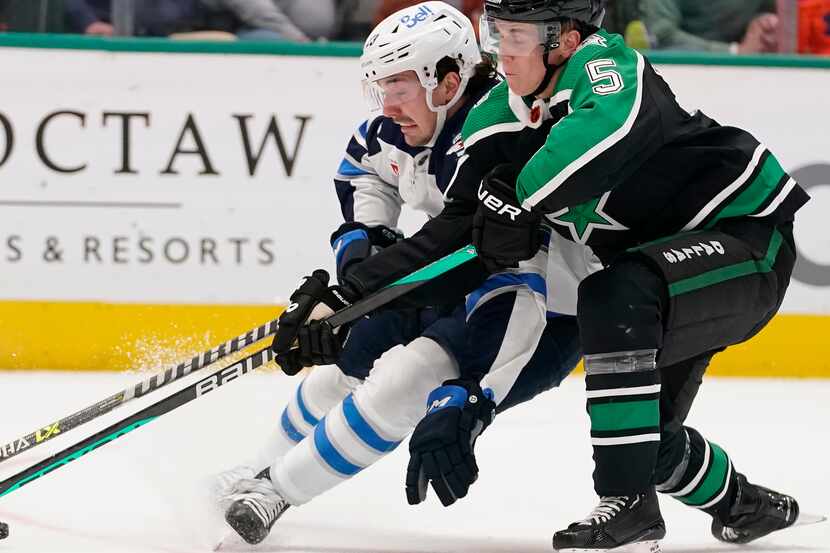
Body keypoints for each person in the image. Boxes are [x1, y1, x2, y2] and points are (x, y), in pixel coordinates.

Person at [216, 2, 593, 545]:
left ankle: (275, 493)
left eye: (401, 87)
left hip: (540, 305)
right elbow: (366, 174)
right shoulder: (398, 131)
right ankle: (253, 472)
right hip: (453, 275)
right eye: (381, 88)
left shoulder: (501, 130)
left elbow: (486, 255)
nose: (388, 105)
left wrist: (356, 291)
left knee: (403, 383)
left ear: (449, 79)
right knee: (345, 360)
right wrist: (360, 262)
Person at [454, 0, 810, 551]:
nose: (502, 49)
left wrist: (516, 200)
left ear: (565, 42)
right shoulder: (500, 111)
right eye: (496, 31)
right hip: (663, 273)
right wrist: (356, 293)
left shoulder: (605, 63)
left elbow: (604, 125)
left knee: (615, 294)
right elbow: (454, 228)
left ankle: (627, 504)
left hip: (747, 241)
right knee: (649, 441)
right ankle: (745, 506)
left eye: (517, 34)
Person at [644, 0, 779, 53]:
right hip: (677, 76)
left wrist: (763, 24)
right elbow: (659, 37)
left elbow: (767, 10)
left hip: (750, 78)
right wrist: (735, 51)